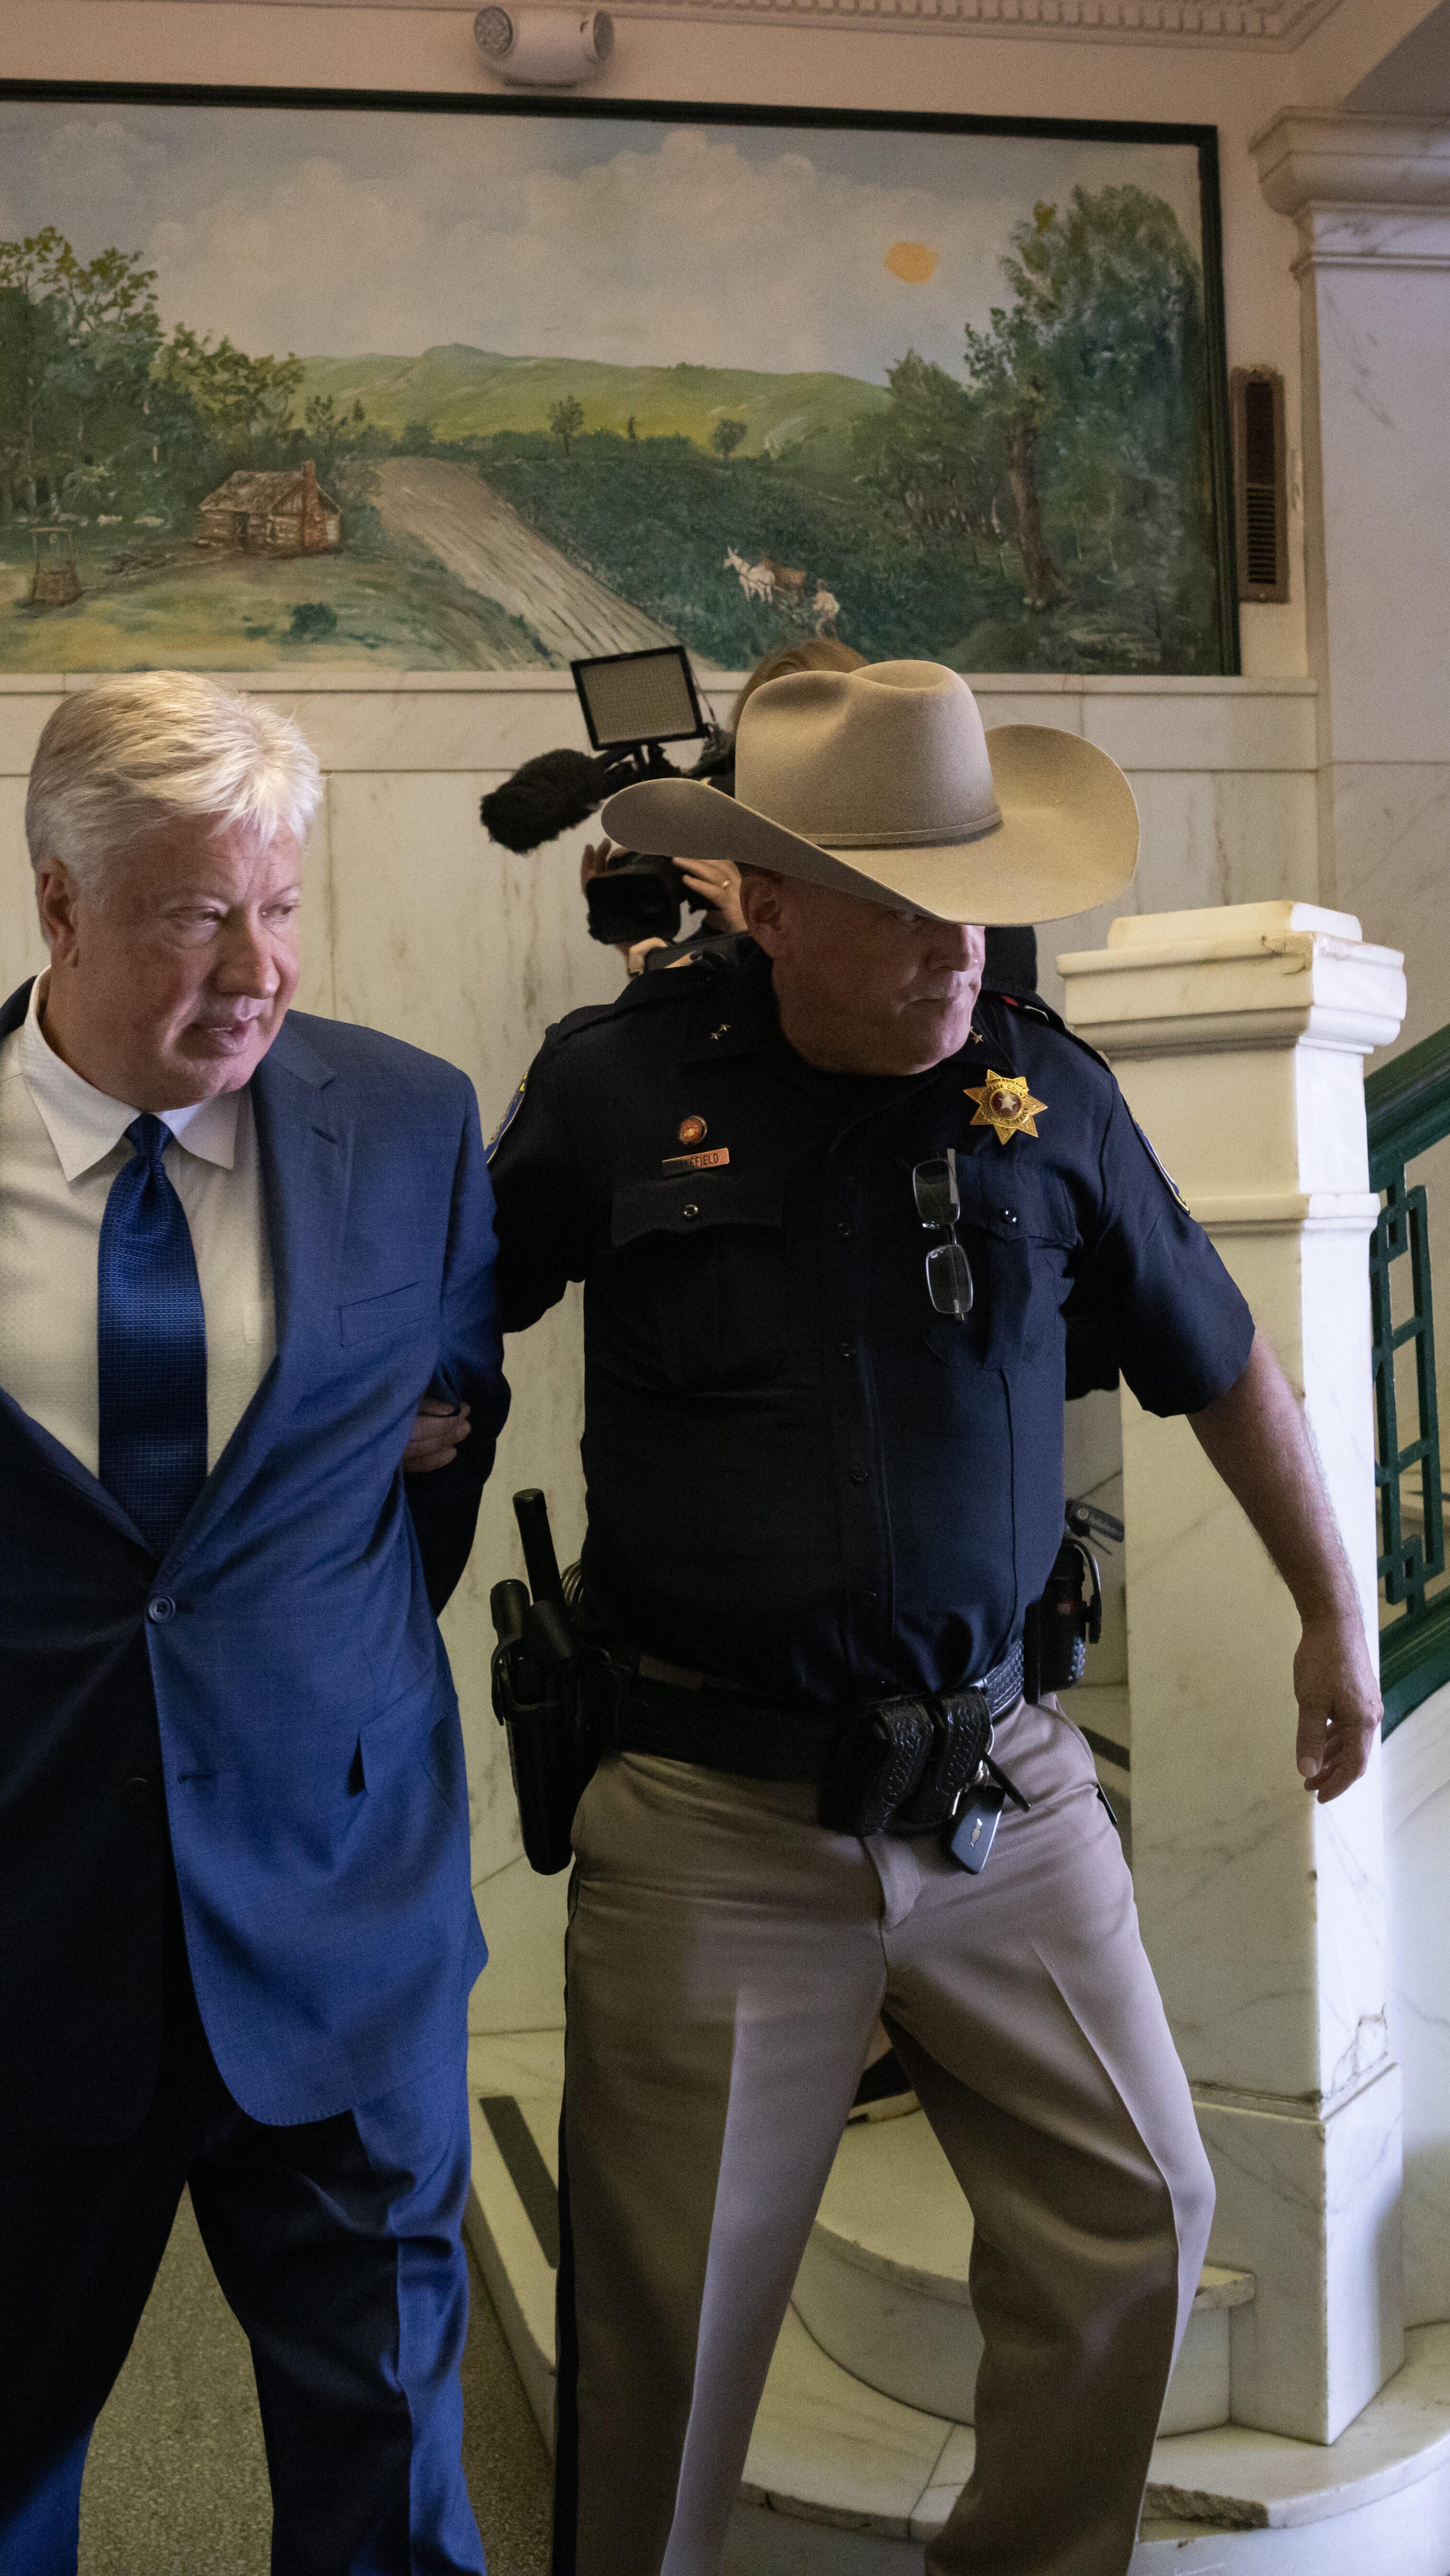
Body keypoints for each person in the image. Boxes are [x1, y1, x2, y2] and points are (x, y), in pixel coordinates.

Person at [487, 659, 1381, 2576]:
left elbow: (1224, 1367)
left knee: (1136, 2205)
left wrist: (1335, 1612)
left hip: (1002, 1792)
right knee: (666, 2348)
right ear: (762, 901)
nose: (948, 945)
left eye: (965, 892)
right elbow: (436, 1334)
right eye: (893, 906)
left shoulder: (1041, 1091)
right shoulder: (615, 1088)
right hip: (714, 1816)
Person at [0, 670, 510, 2574]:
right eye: (195, 913)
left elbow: (429, 1452)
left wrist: (305, 1698)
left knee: (391, 2477)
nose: (255, 966)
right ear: (56, 903)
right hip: (19, 1935)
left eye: (278, 905)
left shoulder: (413, 1128)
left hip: (344, 1923)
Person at [581, 638, 865, 971]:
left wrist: (754, 929)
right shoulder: (737, 823)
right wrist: (633, 939)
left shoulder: (872, 876)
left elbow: (844, 1005)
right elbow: (705, 1013)